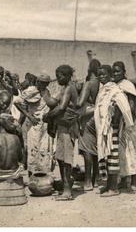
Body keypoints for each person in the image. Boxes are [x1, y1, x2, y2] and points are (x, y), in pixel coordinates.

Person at [95, 65, 133, 197]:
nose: (101, 77)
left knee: (112, 158)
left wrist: (115, 120)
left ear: (110, 75)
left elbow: (123, 105)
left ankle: (114, 188)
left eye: (104, 74)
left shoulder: (114, 89)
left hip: (112, 129)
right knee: (106, 157)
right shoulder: (104, 89)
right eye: (99, 74)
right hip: (104, 130)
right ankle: (108, 185)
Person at [43, 65, 79, 201]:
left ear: (68, 76)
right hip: (62, 127)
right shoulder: (64, 89)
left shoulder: (70, 88)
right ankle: (66, 185)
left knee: (66, 159)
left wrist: (48, 116)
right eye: (57, 76)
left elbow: (62, 107)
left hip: (68, 128)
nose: (58, 78)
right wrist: (44, 92)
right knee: (60, 157)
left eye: (61, 76)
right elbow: (53, 102)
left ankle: (67, 191)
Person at [112, 61, 136, 192]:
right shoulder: (115, 85)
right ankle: (124, 180)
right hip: (118, 122)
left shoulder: (128, 85)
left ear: (124, 72)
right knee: (121, 152)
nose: (115, 73)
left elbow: (132, 105)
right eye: (113, 71)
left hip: (128, 123)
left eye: (118, 71)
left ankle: (134, 180)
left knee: (131, 150)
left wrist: (128, 121)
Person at [14, 74, 54, 175]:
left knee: (45, 149)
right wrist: (29, 116)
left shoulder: (46, 91)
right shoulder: (31, 90)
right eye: (42, 83)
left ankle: (43, 174)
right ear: (38, 82)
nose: (44, 85)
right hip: (34, 124)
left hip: (45, 124)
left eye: (46, 83)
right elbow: (17, 102)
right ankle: (32, 174)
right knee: (33, 148)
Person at [76, 59, 101, 191]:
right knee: (95, 149)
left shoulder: (89, 84)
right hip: (99, 117)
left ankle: (87, 181)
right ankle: (96, 179)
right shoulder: (102, 83)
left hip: (88, 117)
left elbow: (80, 103)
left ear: (89, 70)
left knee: (86, 149)